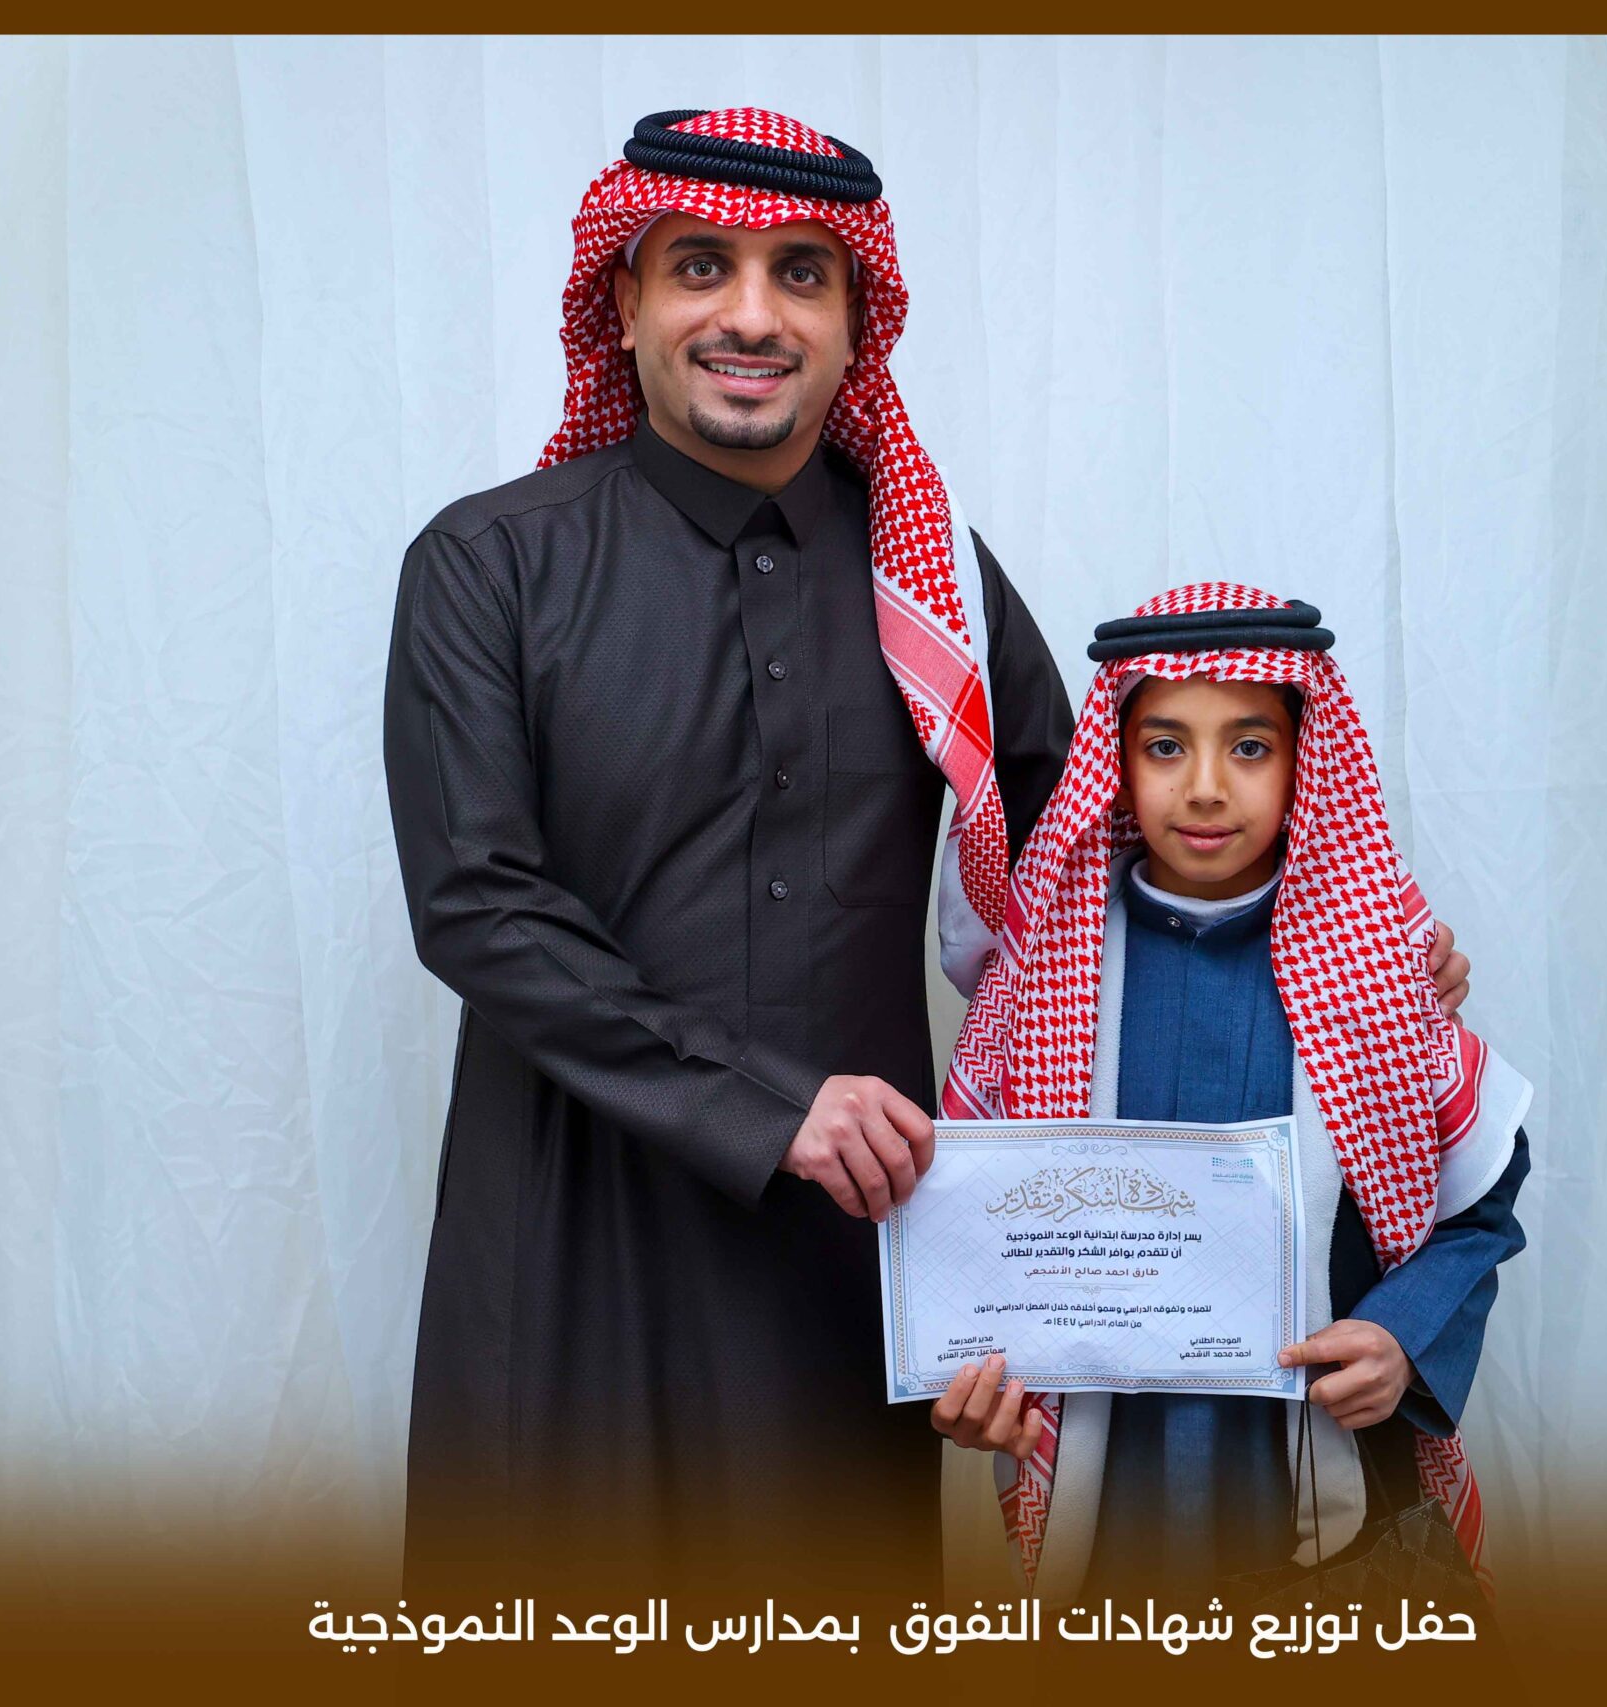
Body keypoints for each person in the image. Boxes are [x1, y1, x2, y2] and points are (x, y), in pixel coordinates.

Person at [384, 109, 1475, 1595]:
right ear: (622, 302)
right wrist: (770, 1106)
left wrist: (1348, 949)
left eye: (802, 275)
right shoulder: (489, 563)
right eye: (701, 267)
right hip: (571, 1220)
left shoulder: (931, 586)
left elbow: (1089, 857)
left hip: (856, 1246)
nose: (752, 315)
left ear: (857, 322)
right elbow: (477, 905)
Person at [929, 583, 1531, 1601]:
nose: (1205, 787)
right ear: (1117, 764)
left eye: (1249, 747)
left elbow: (1481, 1200)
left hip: (1327, 1473)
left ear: (1305, 760)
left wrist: (1401, 1337)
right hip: (1111, 1486)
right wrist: (970, 1373)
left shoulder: (1375, 964)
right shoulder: (1042, 974)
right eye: (1165, 746)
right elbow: (973, 1225)